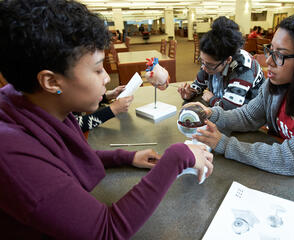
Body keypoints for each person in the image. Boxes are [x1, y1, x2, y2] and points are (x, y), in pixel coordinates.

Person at [0, 1, 214, 239]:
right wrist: (178, 156)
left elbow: (66, 156)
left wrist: (127, 156)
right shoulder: (10, 154)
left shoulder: (32, 103)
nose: (106, 79)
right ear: (51, 82)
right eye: (98, 69)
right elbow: (105, 231)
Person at [189, 9, 294, 183]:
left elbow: (290, 158)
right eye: (270, 50)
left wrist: (224, 144)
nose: (269, 61)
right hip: (282, 172)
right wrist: (212, 114)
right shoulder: (278, 81)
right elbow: (248, 116)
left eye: (279, 55)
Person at [177, 16, 265, 110]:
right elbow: (198, 85)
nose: (203, 68)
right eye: (202, 61)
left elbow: (231, 108)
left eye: (209, 65)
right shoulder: (209, 61)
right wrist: (190, 93)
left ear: (227, 60)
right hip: (222, 107)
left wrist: (211, 99)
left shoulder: (243, 69)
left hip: (249, 113)